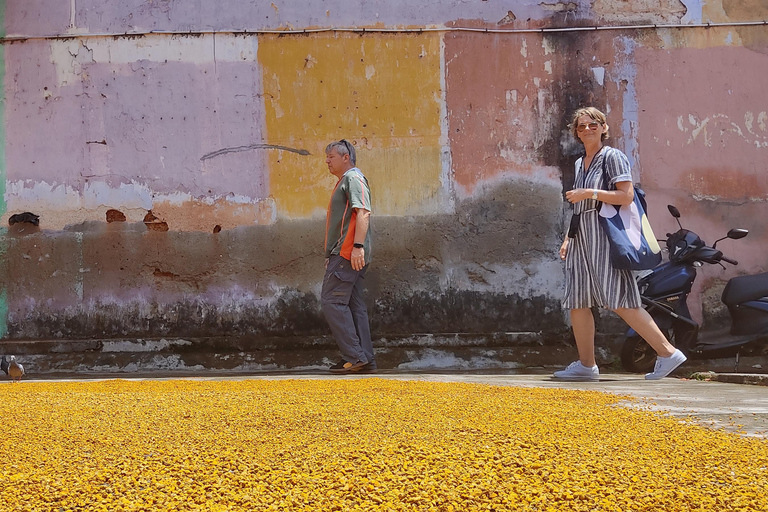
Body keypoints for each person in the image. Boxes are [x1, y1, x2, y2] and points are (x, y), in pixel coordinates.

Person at [555, 107, 687, 381]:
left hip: (606, 237)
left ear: (603, 128)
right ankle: (586, 365)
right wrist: (569, 237)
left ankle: (667, 353)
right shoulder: (580, 163)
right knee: (578, 300)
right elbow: (579, 208)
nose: (587, 130)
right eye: (581, 127)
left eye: (593, 125)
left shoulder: (613, 157)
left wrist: (589, 192)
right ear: (576, 133)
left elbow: (626, 196)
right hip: (582, 237)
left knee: (620, 299)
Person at [321, 139, 376, 374]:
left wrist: (357, 247)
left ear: (346, 158)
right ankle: (366, 360)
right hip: (344, 252)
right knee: (354, 306)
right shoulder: (346, 180)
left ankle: (354, 357)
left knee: (332, 301)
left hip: (348, 253)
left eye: (331, 157)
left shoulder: (353, 178)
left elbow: (362, 212)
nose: (327, 161)